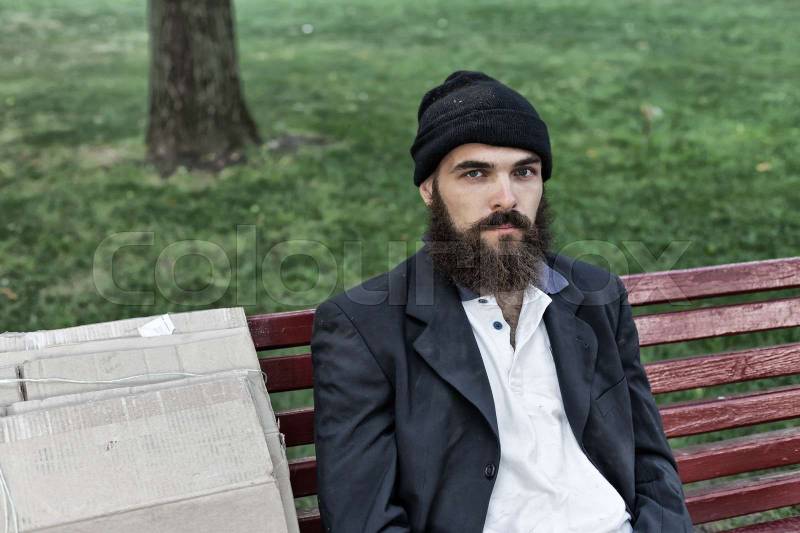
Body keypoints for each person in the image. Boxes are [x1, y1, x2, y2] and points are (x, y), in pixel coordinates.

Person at [310, 70, 692, 533]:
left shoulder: (595, 296)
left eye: (524, 172)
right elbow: (363, 519)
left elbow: (651, 462)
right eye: (476, 173)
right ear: (429, 190)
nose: (506, 198)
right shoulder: (365, 327)